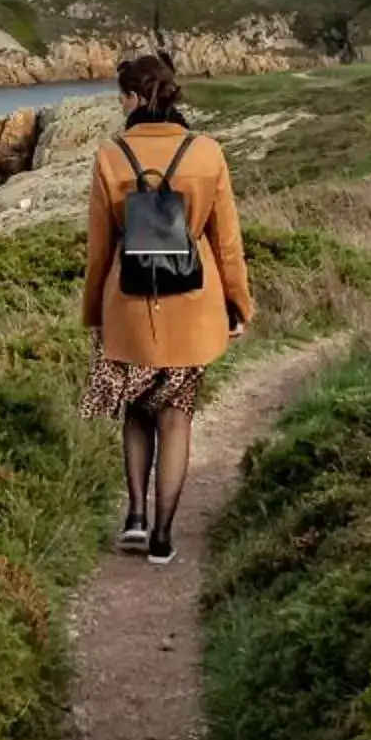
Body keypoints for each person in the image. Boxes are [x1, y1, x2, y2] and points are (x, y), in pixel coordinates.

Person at [82, 52, 253, 565]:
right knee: (176, 416)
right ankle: (161, 536)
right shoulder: (207, 153)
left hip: (129, 303)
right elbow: (227, 244)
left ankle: (134, 515)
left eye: (122, 98)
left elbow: (98, 251)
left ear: (134, 99)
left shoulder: (110, 155)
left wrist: (95, 314)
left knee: (136, 410)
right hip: (193, 303)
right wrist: (238, 302)